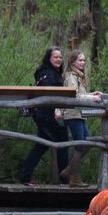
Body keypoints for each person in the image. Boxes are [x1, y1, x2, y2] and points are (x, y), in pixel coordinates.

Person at [18, 46, 69, 185]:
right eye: (55, 57)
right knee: (63, 143)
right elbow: (48, 93)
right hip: (46, 114)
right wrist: (57, 109)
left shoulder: (54, 73)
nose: (58, 59)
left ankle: (24, 175)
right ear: (49, 58)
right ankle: (64, 179)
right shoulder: (46, 74)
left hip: (45, 114)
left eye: (60, 57)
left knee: (41, 145)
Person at [61, 49, 102, 187]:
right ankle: (75, 178)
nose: (82, 62)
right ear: (72, 61)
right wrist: (92, 98)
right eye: (80, 60)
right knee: (80, 145)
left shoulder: (78, 76)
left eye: (84, 60)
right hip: (73, 114)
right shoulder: (71, 77)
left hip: (79, 114)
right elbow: (75, 96)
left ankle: (69, 170)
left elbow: (80, 94)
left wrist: (92, 94)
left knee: (86, 142)